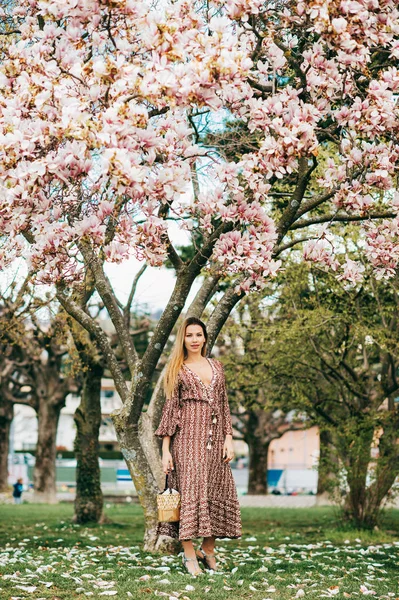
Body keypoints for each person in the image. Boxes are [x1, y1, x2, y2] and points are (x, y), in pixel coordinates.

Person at [155, 317, 242, 576]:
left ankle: (208, 549)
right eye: (189, 335)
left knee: (216, 491)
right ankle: (189, 555)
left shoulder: (217, 366)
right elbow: (170, 410)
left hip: (215, 442)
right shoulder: (177, 369)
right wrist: (165, 450)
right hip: (186, 442)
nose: (194, 339)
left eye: (198, 334)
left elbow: (224, 404)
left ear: (205, 338)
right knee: (190, 496)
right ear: (183, 339)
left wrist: (229, 438)